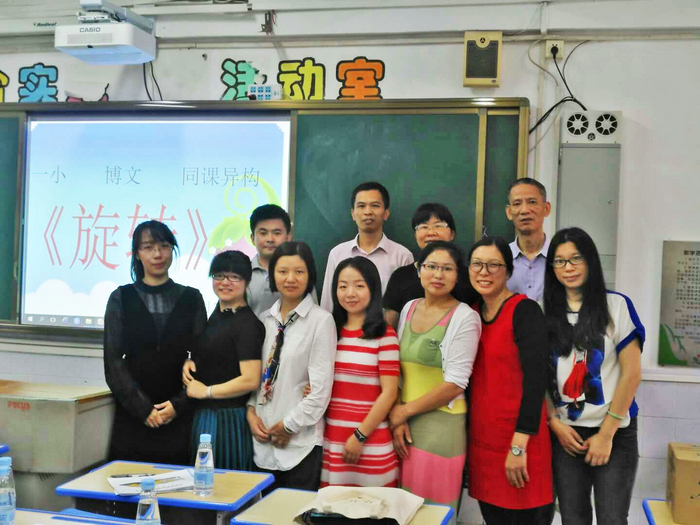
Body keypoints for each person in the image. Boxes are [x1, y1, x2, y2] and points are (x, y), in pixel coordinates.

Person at [545, 227, 643, 525]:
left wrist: (606, 434)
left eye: (576, 258)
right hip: (566, 435)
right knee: (573, 518)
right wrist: (554, 422)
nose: (568, 267)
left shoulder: (616, 306)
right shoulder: (542, 309)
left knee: (612, 518)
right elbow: (537, 374)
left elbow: (632, 374)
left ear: (590, 261)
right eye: (560, 261)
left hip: (614, 431)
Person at [103, 220, 207, 465]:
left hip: (179, 413)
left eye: (164, 246)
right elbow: (113, 361)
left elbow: (203, 357)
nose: (157, 254)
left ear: (172, 249)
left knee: (178, 483)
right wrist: (143, 409)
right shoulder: (120, 297)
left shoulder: (192, 298)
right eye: (148, 247)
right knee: (127, 481)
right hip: (133, 413)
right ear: (137, 253)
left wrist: (178, 405)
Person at [467, 236, 553, 524]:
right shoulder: (470, 313)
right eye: (477, 264)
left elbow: (536, 380)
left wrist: (519, 445)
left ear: (507, 271)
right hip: (483, 443)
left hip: (521, 440)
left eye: (494, 265)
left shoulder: (525, 311)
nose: (484, 272)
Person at [390, 241, 481, 515]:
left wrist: (403, 412)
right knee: (402, 510)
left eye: (447, 268)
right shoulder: (409, 308)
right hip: (403, 423)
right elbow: (397, 370)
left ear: (458, 275)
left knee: (432, 513)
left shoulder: (465, 317)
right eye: (431, 266)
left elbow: (455, 384)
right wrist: (399, 415)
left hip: (441, 427)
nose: (438, 275)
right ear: (419, 270)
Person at [247, 241, 337, 491]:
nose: (290, 278)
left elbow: (320, 391)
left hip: (301, 445)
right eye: (283, 271)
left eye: (299, 271)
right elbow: (257, 376)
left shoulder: (321, 321)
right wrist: (251, 412)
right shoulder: (264, 320)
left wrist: (288, 426)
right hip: (261, 443)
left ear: (310, 276)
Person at [182, 250, 264, 471]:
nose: (225, 282)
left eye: (234, 277)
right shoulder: (217, 314)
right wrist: (190, 361)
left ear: (246, 281)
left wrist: (207, 391)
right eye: (219, 275)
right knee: (201, 484)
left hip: (229, 420)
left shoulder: (247, 324)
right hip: (205, 416)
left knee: (226, 485)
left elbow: (250, 380)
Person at [321, 257, 400, 488]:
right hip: (334, 440)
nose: (350, 293)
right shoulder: (330, 331)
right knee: (333, 505)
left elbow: (389, 393)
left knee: (375, 506)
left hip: (370, 442)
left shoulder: (384, 335)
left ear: (373, 289)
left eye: (359, 285)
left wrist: (359, 436)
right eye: (343, 286)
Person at [320, 182, 413, 311]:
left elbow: (408, 310)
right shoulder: (337, 254)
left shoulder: (402, 256)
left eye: (375, 205)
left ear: (386, 213)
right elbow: (327, 304)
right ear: (353, 214)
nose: (368, 212)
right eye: (361, 206)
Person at [383, 203, 478, 328]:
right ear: (415, 235)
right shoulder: (400, 276)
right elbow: (389, 326)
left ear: (452, 234)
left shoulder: (469, 277)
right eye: (423, 226)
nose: (431, 232)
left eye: (438, 226)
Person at [505, 178, 552, 302]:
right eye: (517, 204)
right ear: (509, 212)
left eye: (532, 202)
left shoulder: (560, 256)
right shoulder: (501, 258)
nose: (525, 210)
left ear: (546, 208)